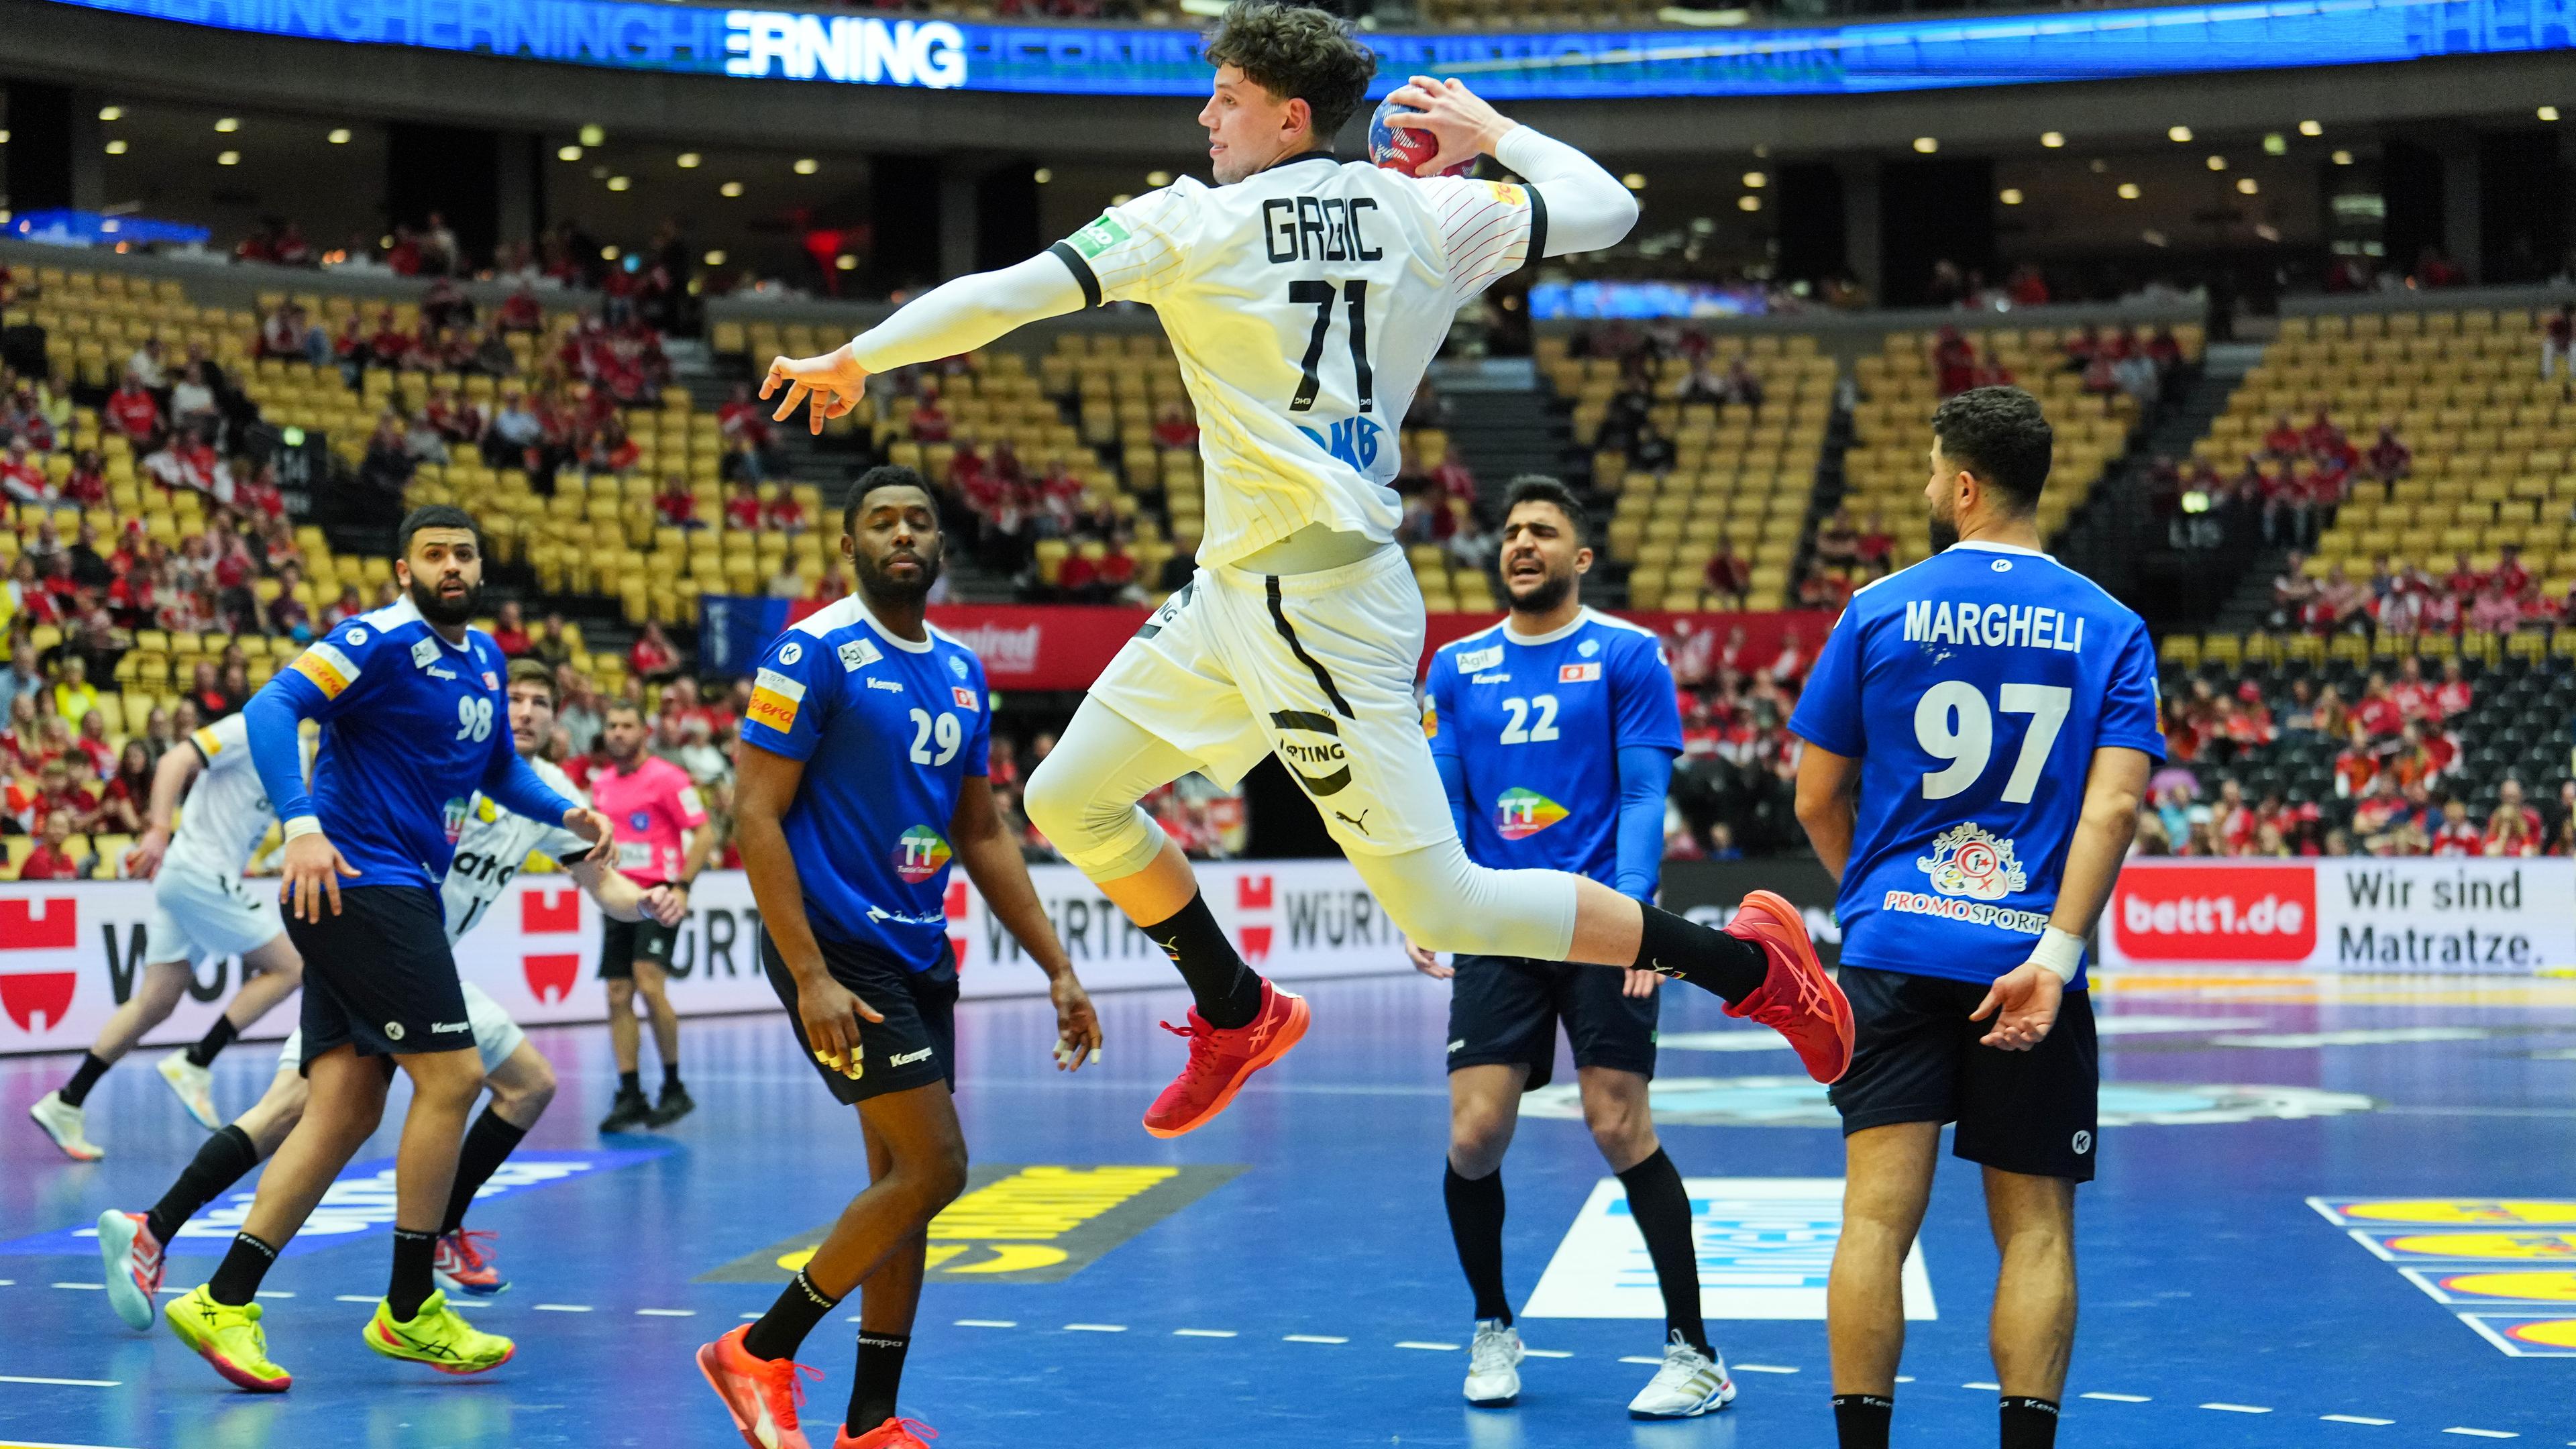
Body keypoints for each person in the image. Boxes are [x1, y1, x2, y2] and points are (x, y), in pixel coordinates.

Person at [761, 3, 1846, 1142]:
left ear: (1286, 118)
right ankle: (1237, 1006)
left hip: (1313, 610)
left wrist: (858, 357)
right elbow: (1608, 208)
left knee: (1448, 903)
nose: (1202, 115)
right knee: (1069, 797)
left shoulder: (1190, 223)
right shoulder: (1425, 209)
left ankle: (1750, 966)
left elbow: (1008, 292)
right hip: (1242, 588)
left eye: (1224, 98)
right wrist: (1494, 127)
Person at [158, 505, 611, 1393]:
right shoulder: (374, 640)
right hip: (361, 884)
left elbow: (492, 772)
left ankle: (223, 1298)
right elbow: (270, 706)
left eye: (465, 554)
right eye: (434, 554)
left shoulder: (482, 659)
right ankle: (410, 1308)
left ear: (481, 569)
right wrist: (298, 824)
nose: (452, 566)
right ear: (404, 568)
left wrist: (563, 812)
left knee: (345, 1108)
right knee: (454, 1078)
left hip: (387, 890)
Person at [696, 468, 1106, 1449]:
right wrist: (809, 977)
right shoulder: (815, 651)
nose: (902, 533)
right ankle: (759, 1347)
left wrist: (1056, 965)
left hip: (920, 951)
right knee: (940, 1165)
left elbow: (984, 831)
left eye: (918, 520)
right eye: (881, 521)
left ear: (939, 545)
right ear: (852, 546)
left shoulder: (963, 669)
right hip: (839, 954)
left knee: (902, 1187)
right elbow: (753, 814)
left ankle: (869, 1421)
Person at [1788, 387, 2162, 1449]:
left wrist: (1871, 901)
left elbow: (1817, 796)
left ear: (1964, 485)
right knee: (2036, 1231)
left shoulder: (1879, 608)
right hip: (2028, 962)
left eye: (1929, 472)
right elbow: (2119, 804)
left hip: (1896, 950)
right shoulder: (2111, 625)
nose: (1923, 490)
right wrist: (2057, 952)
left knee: (1874, 1219)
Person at [97, 659, 685, 1330]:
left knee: (525, 1086)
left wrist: (646, 903)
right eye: (513, 698)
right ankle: (172, 1235)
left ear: (558, 718)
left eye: (539, 702)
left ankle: (425, 1238)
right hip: (380, 946)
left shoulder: (549, 792)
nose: (523, 711)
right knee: (307, 1108)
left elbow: (603, 886)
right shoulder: (443, 757)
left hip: (424, 967)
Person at [1409, 477, 1731, 1419]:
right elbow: (1444, 801)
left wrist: (1641, 924)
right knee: (1474, 1137)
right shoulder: (1457, 667)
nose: (1522, 545)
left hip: (1598, 921)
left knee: (1619, 1124)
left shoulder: (1629, 655)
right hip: (1494, 919)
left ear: (1579, 558)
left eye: (1543, 533)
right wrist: (1428, 904)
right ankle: (1493, 1326)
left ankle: (1696, 1354)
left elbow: (1640, 801)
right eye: (1511, 533)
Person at [23, 712, 308, 1163]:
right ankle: (197, 1061)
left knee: (155, 1002)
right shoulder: (250, 726)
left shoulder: (303, 753)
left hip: (195, 878)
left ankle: (67, 1101)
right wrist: (157, 829)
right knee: (291, 967)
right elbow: (176, 759)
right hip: (198, 871)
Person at [588, 700, 716, 1131]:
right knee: (617, 994)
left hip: (658, 895)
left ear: (644, 732)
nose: (617, 733)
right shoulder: (601, 785)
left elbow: (704, 833)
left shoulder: (668, 778)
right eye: (611, 725)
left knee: (647, 980)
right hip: (618, 896)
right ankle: (630, 1093)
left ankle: (674, 1087)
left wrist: (682, 886)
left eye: (627, 725)